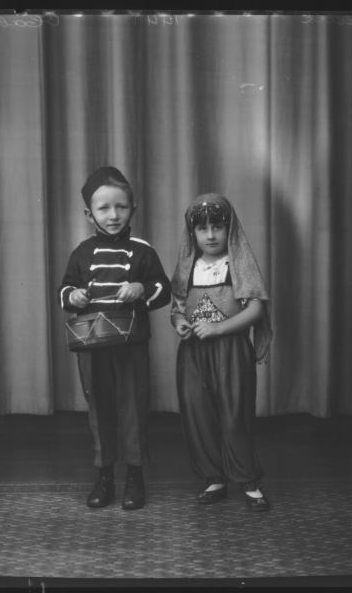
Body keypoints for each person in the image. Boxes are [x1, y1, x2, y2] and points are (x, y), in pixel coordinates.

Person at [59, 166, 171, 510]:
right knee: (100, 410)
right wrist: (73, 296)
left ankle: (135, 478)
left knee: (133, 409)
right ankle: (104, 476)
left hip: (130, 344)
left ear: (133, 209)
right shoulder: (81, 252)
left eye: (121, 207)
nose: (113, 215)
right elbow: (64, 289)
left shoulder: (142, 250)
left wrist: (141, 288)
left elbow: (162, 289)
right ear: (88, 214)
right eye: (104, 208)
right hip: (92, 347)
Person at [170, 193, 273, 511]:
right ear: (193, 233)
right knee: (199, 414)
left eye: (218, 226)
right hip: (193, 354)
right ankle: (213, 476)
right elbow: (175, 308)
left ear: (230, 229)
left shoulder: (238, 264)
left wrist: (217, 329)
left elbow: (255, 310)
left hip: (230, 351)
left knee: (233, 415)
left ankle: (248, 480)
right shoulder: (189, 266)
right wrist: (180, 323)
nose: (211, 234)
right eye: (202, 229)